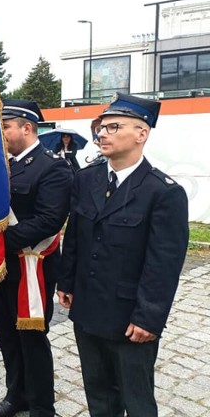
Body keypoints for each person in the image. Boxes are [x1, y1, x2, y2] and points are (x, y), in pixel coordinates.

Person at [57, 93, 188, 417]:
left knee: (137, 398)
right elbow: (74, 235)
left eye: (113, 127)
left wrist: (149, 317)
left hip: (130, 317)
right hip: (88, 309)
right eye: (101, 127)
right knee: (98, 393)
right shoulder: (87, 179)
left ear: (141, 134)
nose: (102, 133)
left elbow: (164, 263)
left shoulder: (163, 192)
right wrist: (66, 281)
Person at [0, 99, 73, 417]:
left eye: (6, 126)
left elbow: (49, 220)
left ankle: (41, 405)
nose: (2, 132)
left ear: (27, 127)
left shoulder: (52, 167)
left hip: (32, 267)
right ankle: (16, 395)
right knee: (7, 336)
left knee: (32, 340)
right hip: (0, 268)